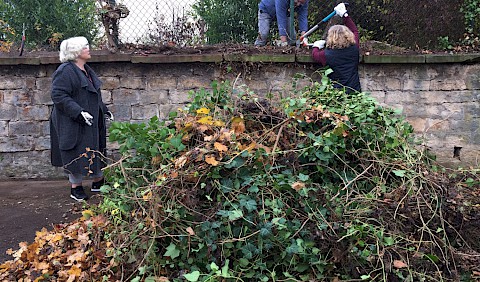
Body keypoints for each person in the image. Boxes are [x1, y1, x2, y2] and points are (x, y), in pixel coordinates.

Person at [49, 36, 114, 202]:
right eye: (85, 46)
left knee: (95, 148)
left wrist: (104, 110)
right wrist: (78, 112)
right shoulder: (65, 71)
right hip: (72, 121)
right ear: (76, 52)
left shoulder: (85, 70)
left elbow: (94, 94)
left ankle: (98, 182)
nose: (88, 49)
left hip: (90, 120)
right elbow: (58, 95)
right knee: (75, 151)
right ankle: (75, 188)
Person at [311, 3, 361, 93]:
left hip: (337, 92)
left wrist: (316, 46)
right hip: (354, 90)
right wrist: (345, 15)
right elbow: (355, 31)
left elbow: (315, 55)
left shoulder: (327, 54)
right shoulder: (354, 49)